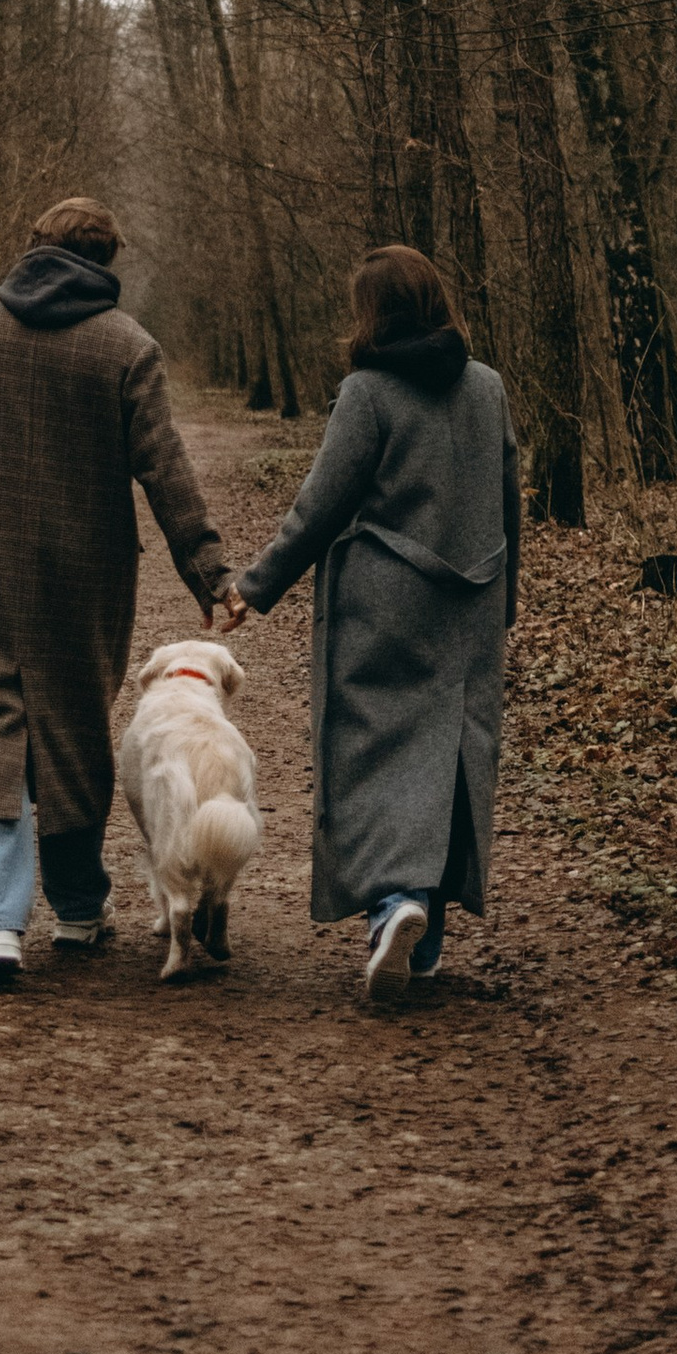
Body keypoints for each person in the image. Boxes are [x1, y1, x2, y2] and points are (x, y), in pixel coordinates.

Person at [0, 195, 235, 986]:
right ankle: (77, 906)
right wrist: (210, 574)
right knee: (70, 726)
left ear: (33, 246)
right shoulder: (125, 345)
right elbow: (166, 468)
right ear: (106, 263)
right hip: (84, 571)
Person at [228, 244, 519, 998]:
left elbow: (321, 506)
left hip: (384, 602)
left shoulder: (369, 391)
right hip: (473, 602)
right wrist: (504, 601)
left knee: (372, 754)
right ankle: (422, 947)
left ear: (373, 312)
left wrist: (254, 589)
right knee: (450, 761)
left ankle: (396, 904)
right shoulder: (487, 387)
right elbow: (510, 500)